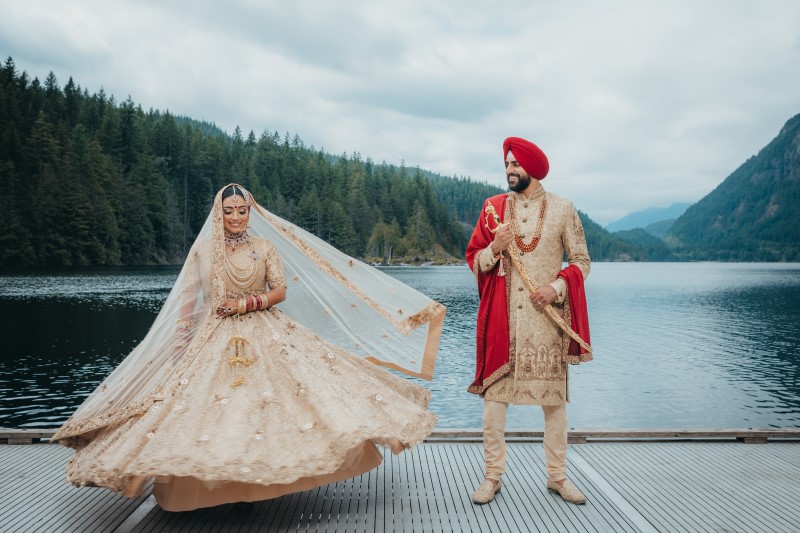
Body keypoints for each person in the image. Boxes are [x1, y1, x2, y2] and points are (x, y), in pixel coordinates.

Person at [53, 183, 445, 512]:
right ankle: (200, 490)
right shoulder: (204, 251)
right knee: (203, 408)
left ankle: (255, 483)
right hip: (212, 336)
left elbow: (280, 291)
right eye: (230, 211)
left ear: (249, 213)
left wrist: (245, 303)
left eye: (242, 210)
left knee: (274, 403)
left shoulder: (263, 248)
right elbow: (188, 301)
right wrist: (178, 345)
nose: (237, 217)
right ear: (218, 213)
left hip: (262, 329)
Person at [466, 137, 592, 505]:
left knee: (554, 409)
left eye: (515, 165)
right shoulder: (493, 209)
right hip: (502, 325)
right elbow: (475, 260)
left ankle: (557, 477)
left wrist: (556, 288)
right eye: (506, 164)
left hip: (545, 325)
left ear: (532, 169)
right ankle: (492, 477)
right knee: (493, 407)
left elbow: (581, 262)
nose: (509, 171)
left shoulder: (563, 209)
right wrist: (495, 248)